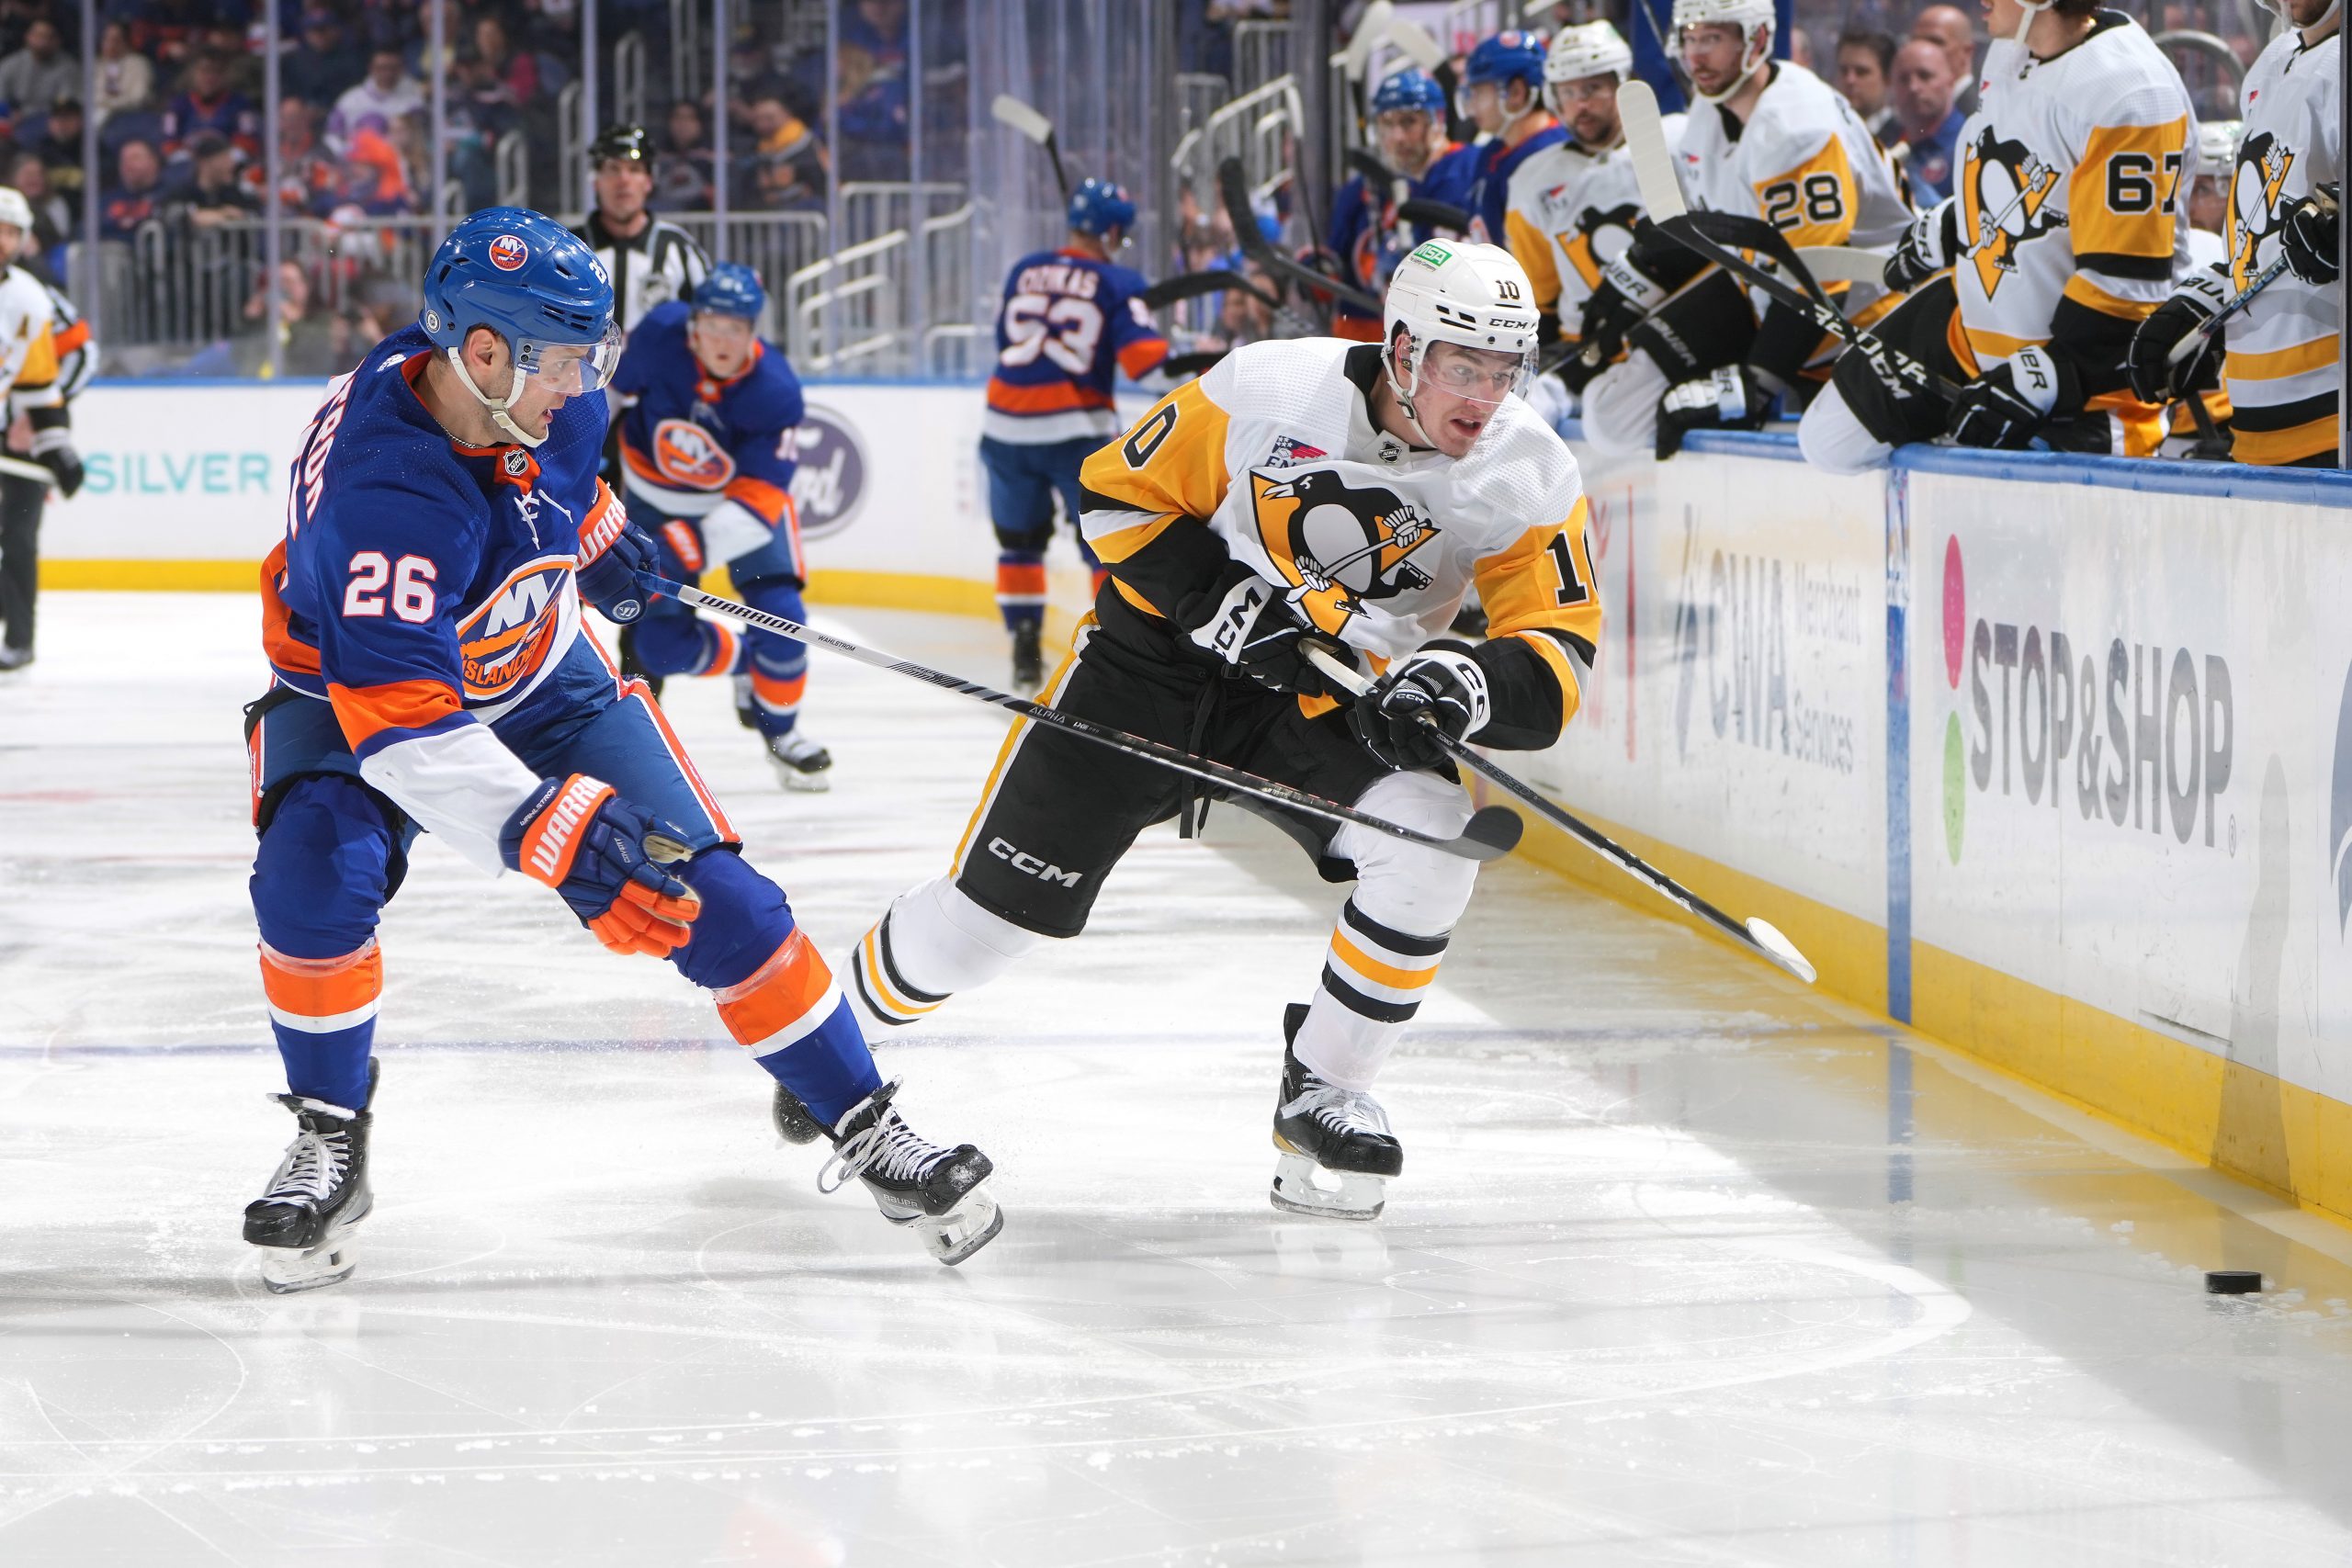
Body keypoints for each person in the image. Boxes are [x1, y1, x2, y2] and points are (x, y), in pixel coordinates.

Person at [240, 209, 1001, 1294]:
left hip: (545, 673)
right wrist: (548, 833)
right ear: (485, 352)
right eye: (563, 360)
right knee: (313, 874)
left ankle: (866, 1123)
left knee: (720, 900)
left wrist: (606, 553)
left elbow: (563, 489)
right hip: (355, 690)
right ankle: (329, 1132)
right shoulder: (386, 499)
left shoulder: (548, 391)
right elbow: (403, 723)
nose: (584, 382)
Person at [800, 240, 1600, 1223]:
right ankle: (826, 1044)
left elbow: (1558, 649)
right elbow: (1110, 495)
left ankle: (1325, 1087)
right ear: (1400, 349)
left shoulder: (1527, 468)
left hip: (1315, 705)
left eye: (1502, 371)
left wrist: (1462, 677)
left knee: (1433, 838)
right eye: (1458, 365)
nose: (1483, 395)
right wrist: (1214, 600)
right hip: (1146, 681)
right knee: (977, 935)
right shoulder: (1270, 387)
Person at [1798, 0, 2195, 473]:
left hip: (2081, 383)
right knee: (1829, 438)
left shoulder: (2131, 88)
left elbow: (2127, 283)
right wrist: (1950, 223)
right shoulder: (2011, 49)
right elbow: (2030, 175)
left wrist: (2050, 376)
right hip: (1973, 335)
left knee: (2025, 535)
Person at [1579, 0, 1910, 458]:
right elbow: (1719, 229)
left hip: (1863, 316)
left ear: (1755, 40)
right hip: (1766, 289)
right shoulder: (1709, 112)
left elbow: (1819, 273)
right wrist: (1644, 268)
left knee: (1833, 447)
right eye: (1690, 38)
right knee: (1613, 417)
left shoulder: (1797, 126)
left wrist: (1756, 383)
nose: (1696, 56)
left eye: (1712, 39)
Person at [609, 264, 833, 791]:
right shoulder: (661, 334)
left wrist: (697, 542)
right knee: (660, 648)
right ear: (693, 323)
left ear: (754, 330)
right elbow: (608, 393)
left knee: (783, 619)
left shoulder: (775, 390)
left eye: (736, 327)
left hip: (740, 513)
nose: (723, 340)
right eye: (713, 324)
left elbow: (762, 498)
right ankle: (744, 667)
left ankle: (783, 736)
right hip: (654, 499)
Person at [977, 176, 1170, 694]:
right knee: (1105, 545)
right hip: (1075, 432)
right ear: (1111, 232)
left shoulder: (1024, 270)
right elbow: (1145, 365)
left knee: (1018, 543)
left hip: (1003, 426)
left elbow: (1007, 341)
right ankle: (1115, 648)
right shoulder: (1116, 281)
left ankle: (1022, 649)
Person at [2128, 0, 2337, 467]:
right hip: (2256, 423)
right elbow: (2262, 234)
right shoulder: (2272, 62)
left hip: (2335, 414)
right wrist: (2211, 297)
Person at [1505, 23, 1684, 400]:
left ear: (1623, 82)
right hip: (1586, 351)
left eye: (1593, 89)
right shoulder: (1531, 181)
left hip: (1677, 336)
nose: (1581, 104)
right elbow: (1541, 299)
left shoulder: (1675, 142)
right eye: (1568, 92)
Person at [1326, 67, 1476, 342]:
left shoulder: (1470, 168)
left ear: (1437, 120)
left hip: (1457, 333)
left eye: (1408, 122)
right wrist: (1318, 266)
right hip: (1376, 338)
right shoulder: (1361, 190)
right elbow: (1334, 266)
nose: (1397, 137)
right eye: (1387, 123)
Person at [0, 187, 62, 671]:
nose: (2, 241)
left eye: (11, 232)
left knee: (20, 539)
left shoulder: (28, 297)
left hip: (11, 439)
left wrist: (51, 439)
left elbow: (40, 381)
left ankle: (21, 640)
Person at [572, 124, 709, 334]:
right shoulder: (569, 248)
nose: (624, 180)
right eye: (613, 168)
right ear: (595, 181)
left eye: (634, 169)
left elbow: (708, 322)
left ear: (648, 181)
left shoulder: (680, 249)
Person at [1460, 30, 1567, 246]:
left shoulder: (1555, 155)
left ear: (1516, 92)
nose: (1472, 106)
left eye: (1479, 92)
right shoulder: (1494, 150)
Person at [1887, 38, 1963, 201]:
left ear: (1950, 81)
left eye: (1925, 76)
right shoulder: (1886, 146)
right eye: (1903, 79)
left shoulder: (1970, 144)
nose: (1913, 87)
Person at [1910, 5, 1982, 115]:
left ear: (1967, 51)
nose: (1923, 51)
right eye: (1916, 42)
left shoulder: (1978, 114)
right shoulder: (1909, 111)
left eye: (1935, 42)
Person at [0, 19, 78, 119]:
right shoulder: (11, 64)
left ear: (58, 41)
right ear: (27, 37)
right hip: (12, 116)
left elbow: (66, 105)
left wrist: (24, 115)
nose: (42, 42)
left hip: (49, 119)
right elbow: (1, 97)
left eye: (48, 37)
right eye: (38, 36)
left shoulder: (68, 67)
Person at [1834, 28, 1897, 139]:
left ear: (1888, 78)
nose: (1850, 80)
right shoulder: (1829, 134)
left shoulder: (1902, 137)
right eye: (1844, 71)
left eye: (1861, 72)